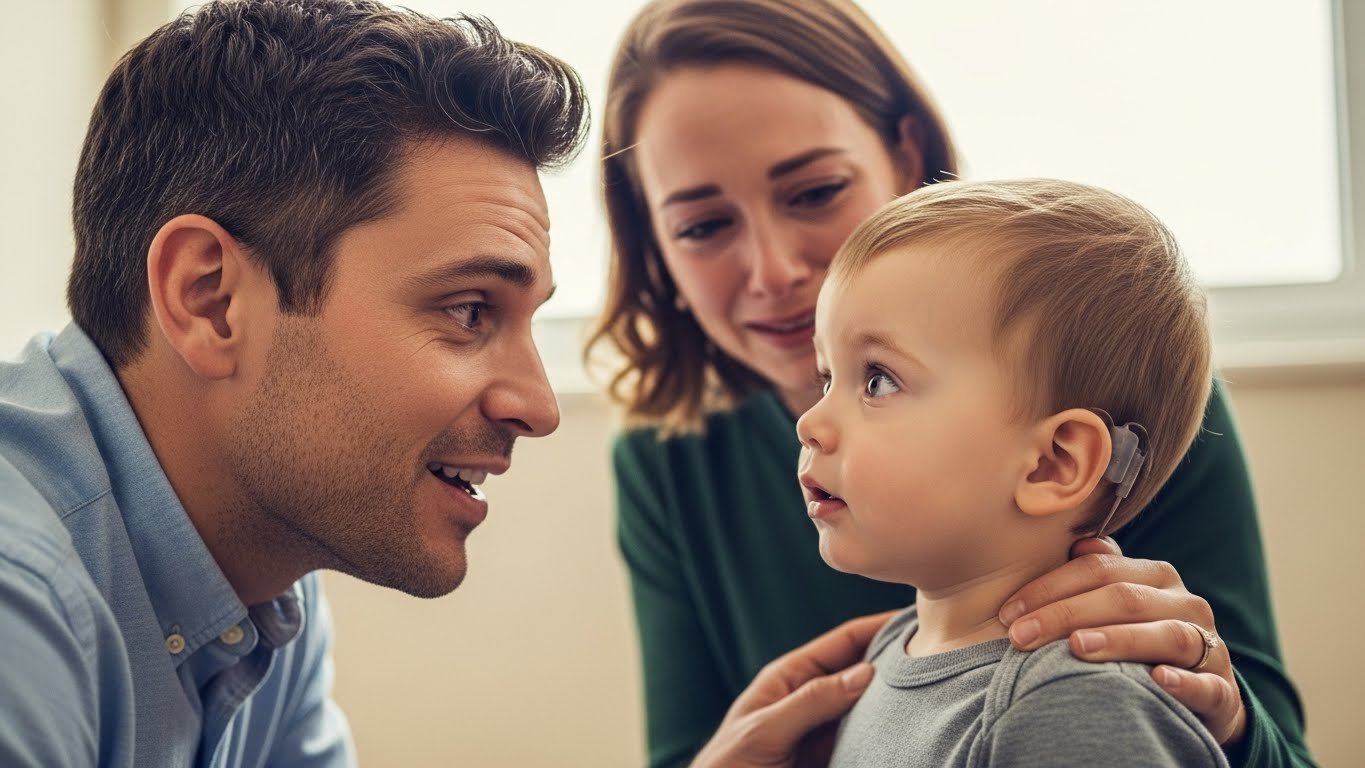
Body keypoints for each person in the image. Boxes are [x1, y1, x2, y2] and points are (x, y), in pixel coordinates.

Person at [0, 2, 867, 766]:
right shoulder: (22, 605)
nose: (535, 406)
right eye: (466, 311)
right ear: (210, 299)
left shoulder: (260, 580)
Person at [587, 0, 1314, 766]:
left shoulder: (1124, 388)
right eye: (702, 226)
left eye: (813, 192)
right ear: (654, 243)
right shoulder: (667, 452)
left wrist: (1221, 714)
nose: (773, 271)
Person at [801, 178, 1224, 766]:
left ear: (1053, 463)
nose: (811, 422)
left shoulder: (1077, 703)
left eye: (877, 380)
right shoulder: (890, 652)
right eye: (827, 377)